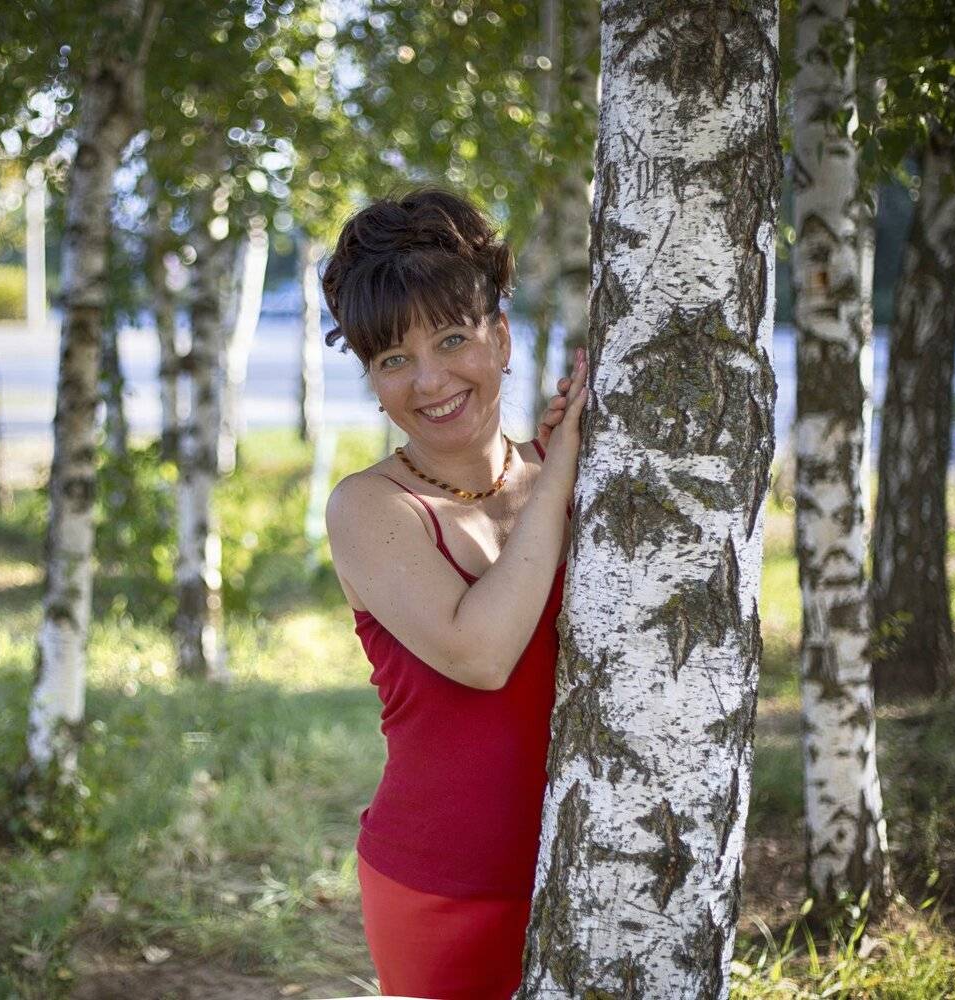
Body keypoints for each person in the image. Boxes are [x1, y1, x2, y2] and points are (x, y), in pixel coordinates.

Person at [321, 189, 587, 1000]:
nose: (430, 381)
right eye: (393, 360)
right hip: (443, 890)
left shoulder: (564, 478)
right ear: (373, 380)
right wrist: (559, 479)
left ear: (500, 338)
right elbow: (480, 655)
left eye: (451, 338)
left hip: (591, 863)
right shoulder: (369, 507)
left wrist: (559, 473)